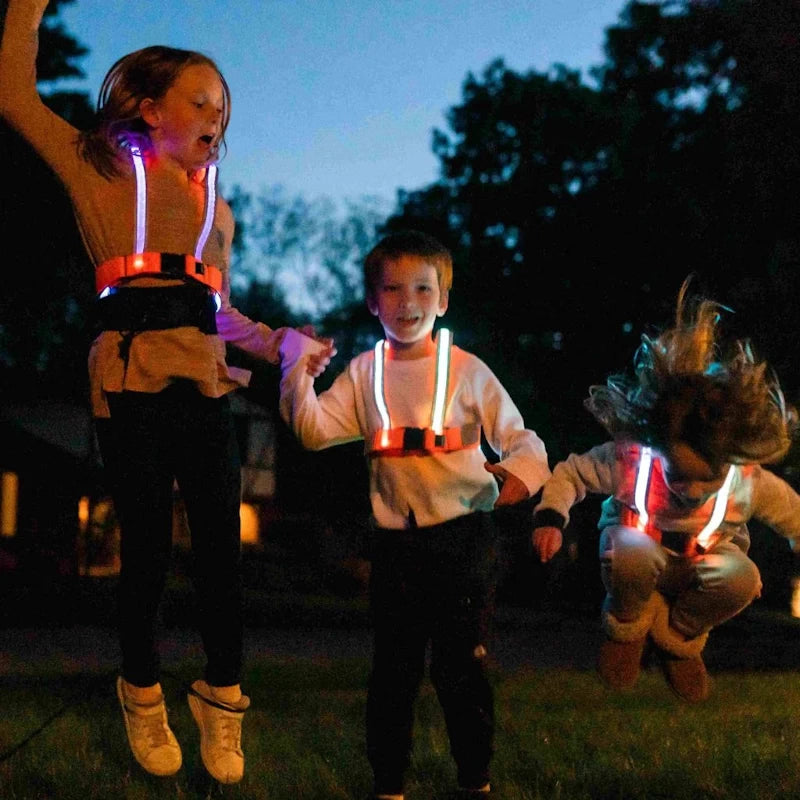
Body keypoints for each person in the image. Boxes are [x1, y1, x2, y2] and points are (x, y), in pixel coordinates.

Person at [0, 0, 331, 784]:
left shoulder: (221, 212)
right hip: (130, 375)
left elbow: (218, 310)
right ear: (150, 109)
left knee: (220, 545)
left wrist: (284, 344)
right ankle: (141, 691)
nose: (217, 114)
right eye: (200, 99)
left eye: (223, 104)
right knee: (145, 543)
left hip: (202, 378)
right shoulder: (103, 170)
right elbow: (14, 97)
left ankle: (223, 700)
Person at [278, 229, 551, 799]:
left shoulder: (467, 370)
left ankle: (476, 779)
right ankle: (388, 786)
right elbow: (311, 430)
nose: (409, 303)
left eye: (423, 289)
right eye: (393, 290)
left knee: (462, 669)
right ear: (373, 301)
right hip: (396, 546)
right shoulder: (362, 373)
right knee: (393, 672)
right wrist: (297, 371)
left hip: (464, 540)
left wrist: (517, 478)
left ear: (443, 299)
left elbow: (524, 440)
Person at [532, 280, 800, 703]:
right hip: (639, 551)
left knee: (744, 580)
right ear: (658, 447)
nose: (690, 491)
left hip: (704, 563)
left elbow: (793, 513)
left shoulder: (746, 481)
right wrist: (551, 517)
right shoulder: (632, 460)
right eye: (678, 474)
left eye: (704, 479)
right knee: (630, 550)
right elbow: (572, 474)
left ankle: (679, 636)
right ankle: (627, 624)